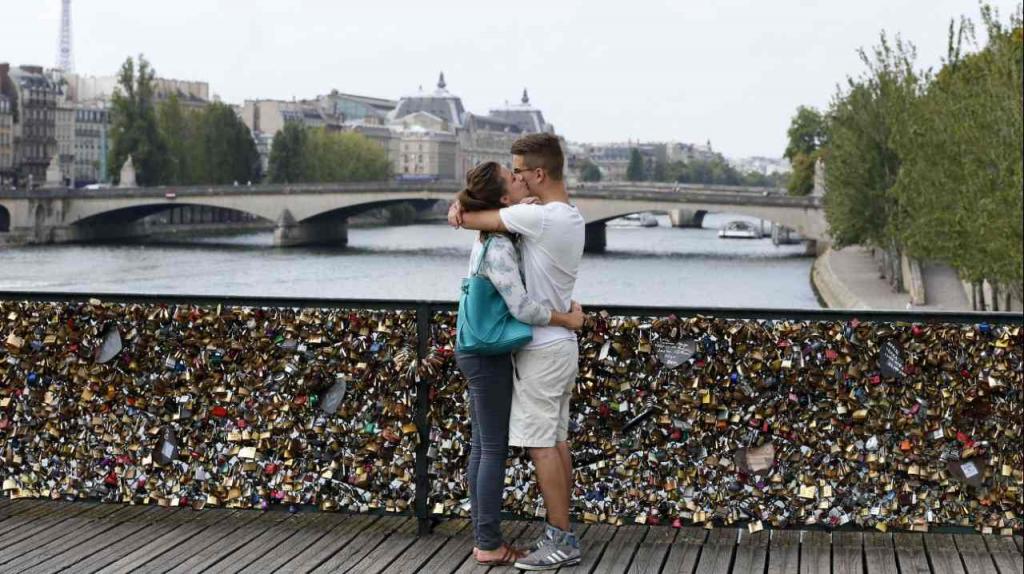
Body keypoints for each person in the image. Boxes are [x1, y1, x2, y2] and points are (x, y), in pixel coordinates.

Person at [449, 133, 585, 570]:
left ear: (538, 174)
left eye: (521, 171)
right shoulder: (567, 216)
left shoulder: (538, 220)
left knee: (541, 447)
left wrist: (460, 210)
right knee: (556, 442)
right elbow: (489, 216)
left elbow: (471, 219)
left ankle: (560, 540)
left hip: (542, 351)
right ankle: (561, 533)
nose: (519, 179)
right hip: (559, 347)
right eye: (513, 175)